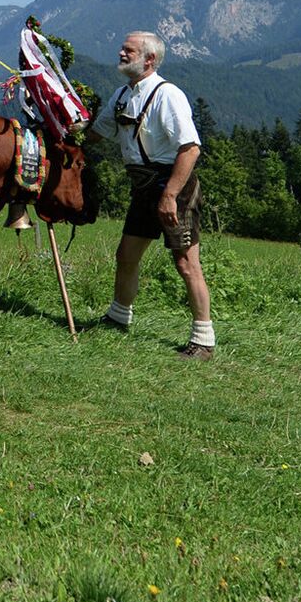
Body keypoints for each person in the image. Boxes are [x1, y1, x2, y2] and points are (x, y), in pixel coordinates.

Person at [86, 31, 215, 359]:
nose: (121, 53)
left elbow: (190, 149)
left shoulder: (167, 94)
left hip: (173, 186)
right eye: (123, 49)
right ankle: (118, 317)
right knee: (126, 255)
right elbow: (96, 136)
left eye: (128, 50)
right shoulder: (121, 96)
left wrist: (170, 195)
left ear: (149, 60)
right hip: (143, 187)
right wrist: (60, 125)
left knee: (186, 263)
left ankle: (203, 339)